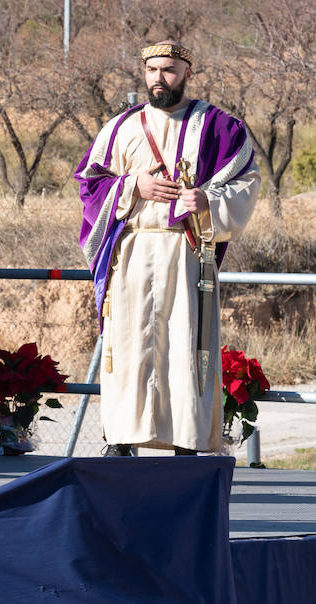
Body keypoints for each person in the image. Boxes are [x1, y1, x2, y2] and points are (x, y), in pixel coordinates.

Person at [75, 41, 259, 455]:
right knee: (129, 344)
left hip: (186, 253)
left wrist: (209, 202)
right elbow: (88, 182)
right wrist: (130, 186)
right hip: (133, 252)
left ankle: (187, 440)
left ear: (187, 73)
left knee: (184, 344)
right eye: (153, 70)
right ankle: (122, 438)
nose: (160, 78)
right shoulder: (120, 128)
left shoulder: (218, 126)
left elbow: (246, 179)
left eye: (169, 70)